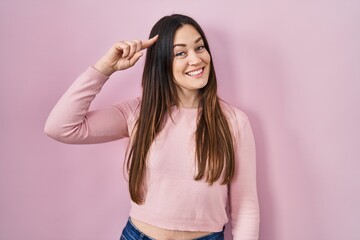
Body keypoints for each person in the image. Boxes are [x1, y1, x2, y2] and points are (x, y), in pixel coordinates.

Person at [44, 14, 259, 240]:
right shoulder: (138, 113)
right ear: (162, 62)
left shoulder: (234, 121)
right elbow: (60, 127)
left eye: (200, 47)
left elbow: (246, 208)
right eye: (181, 53)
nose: (196, 59)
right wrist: (105, 68)